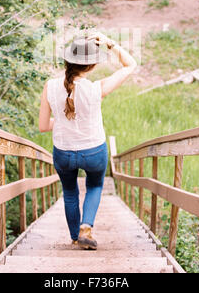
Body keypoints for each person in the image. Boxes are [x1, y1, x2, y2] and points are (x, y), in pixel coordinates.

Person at [38, 31, 137, 250]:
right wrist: (110, 43)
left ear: (67, 61)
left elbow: (43, 126)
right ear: (91, 66)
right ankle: (86, 227)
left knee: (70, 192)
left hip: (63, 152)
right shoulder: (96, 89)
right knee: (94, 185)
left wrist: (64, 121)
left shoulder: (49, 86)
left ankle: (75, 237)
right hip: (94, 151)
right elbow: (130, 65)